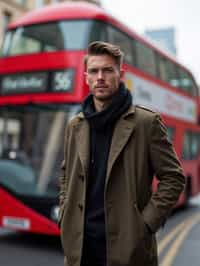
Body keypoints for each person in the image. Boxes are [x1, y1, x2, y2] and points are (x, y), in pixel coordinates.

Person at [58, 41, 185, 266]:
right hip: (80, 249)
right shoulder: (75, 125)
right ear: (86, 76)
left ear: (121, 74)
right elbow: (66, 172)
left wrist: (145, 224)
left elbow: (173, 178)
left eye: (108, 70)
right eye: (94, 71)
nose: (100, 77)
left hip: (129, 250)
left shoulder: (146, 123)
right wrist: (64, 212)